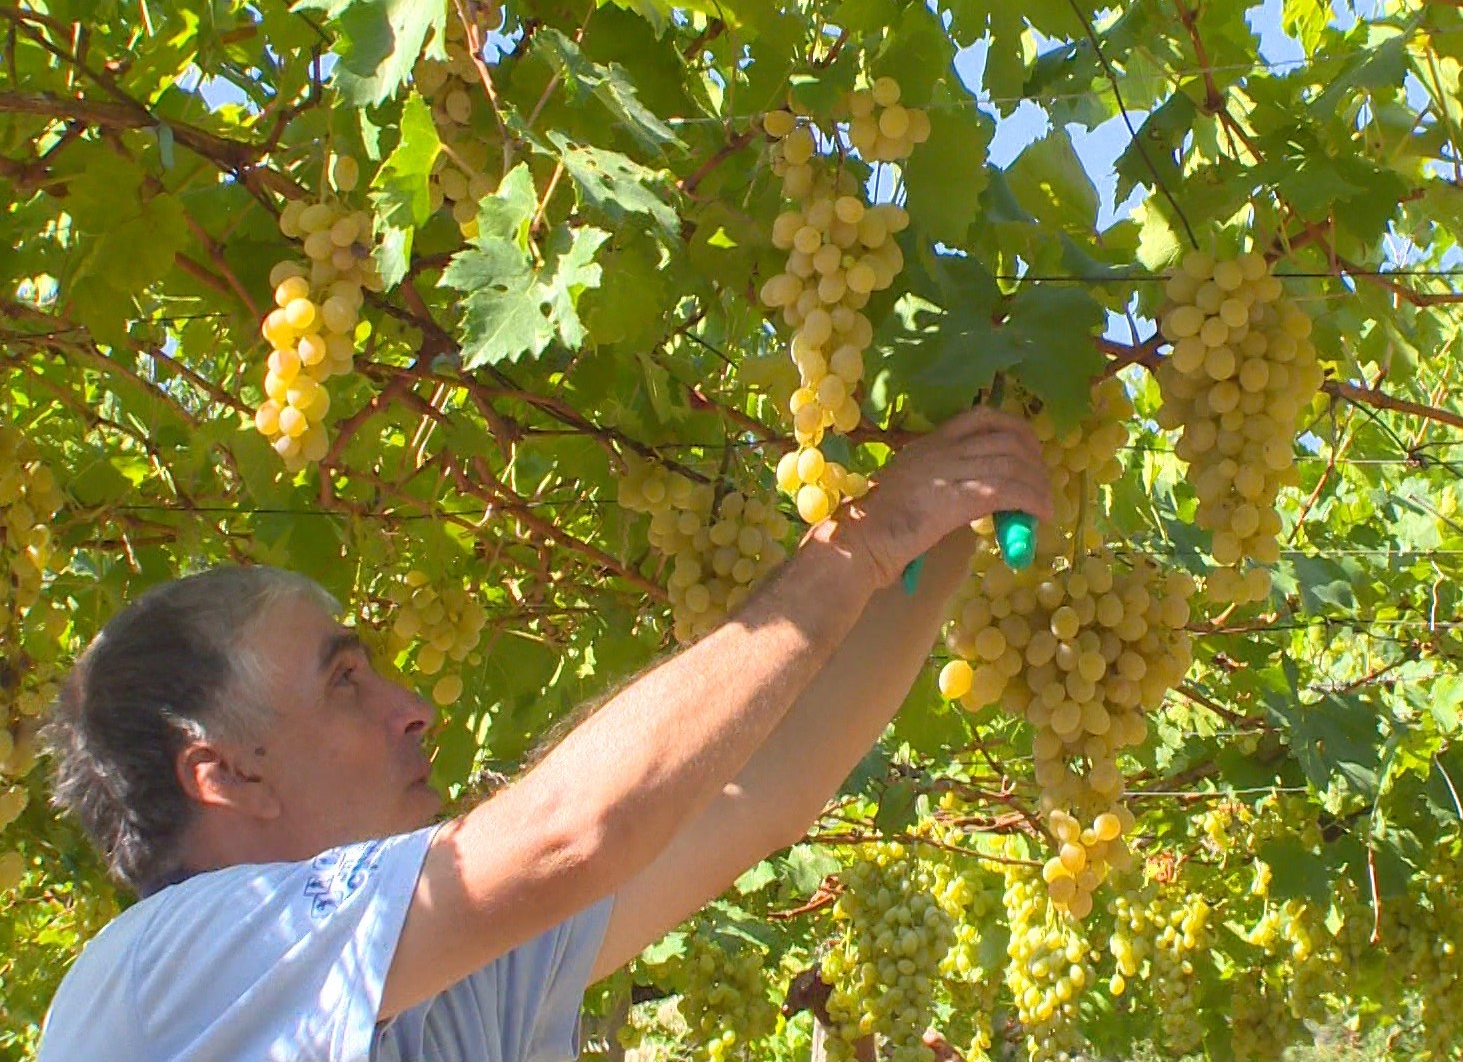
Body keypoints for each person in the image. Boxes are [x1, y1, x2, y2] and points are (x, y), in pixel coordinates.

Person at [35, 408, 1051, 1061]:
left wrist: (947, 520)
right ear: (226, 772)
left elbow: (757, 792)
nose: (411, 704)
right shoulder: (162, 971)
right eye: (344, 681)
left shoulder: (435, 982)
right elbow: (570, 829)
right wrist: (866, 537)